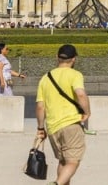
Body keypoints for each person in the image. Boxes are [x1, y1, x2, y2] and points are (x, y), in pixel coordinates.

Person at [36, 44, 91, 185]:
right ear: (74, 59)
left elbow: (40, 107)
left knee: (63, 161)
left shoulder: (45, 78)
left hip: (53, 126)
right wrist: (87, 112)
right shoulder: (75, 74)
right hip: (71, 124)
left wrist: (41, 128)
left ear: (57, 57)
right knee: (73, 162)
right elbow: (80, 94)